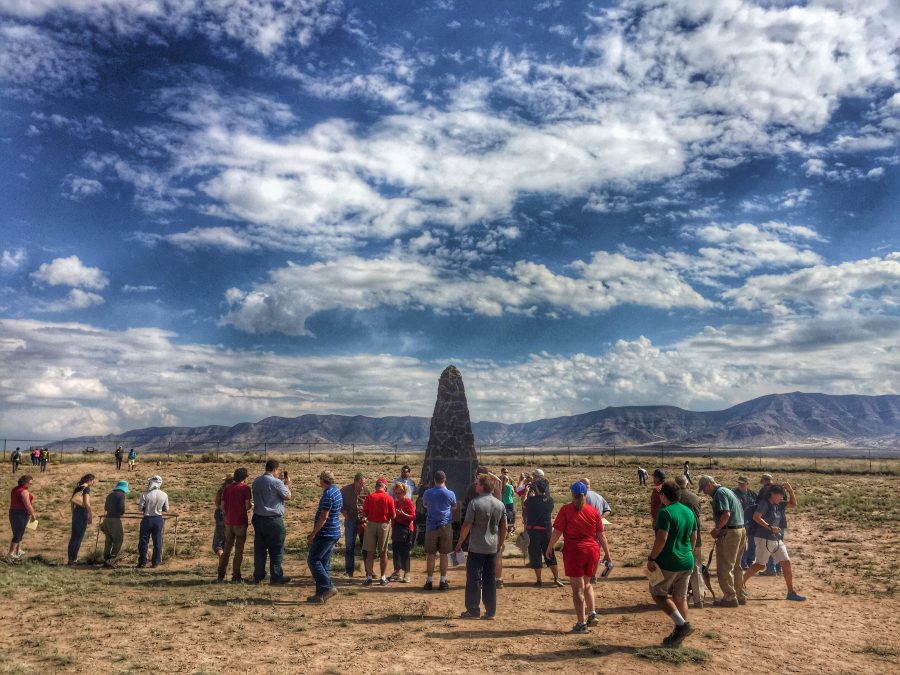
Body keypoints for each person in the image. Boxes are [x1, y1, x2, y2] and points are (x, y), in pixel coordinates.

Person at [546, 482, 611, 633]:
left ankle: (581, 624)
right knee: (587, 584)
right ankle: (592, 613)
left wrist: (550, 547)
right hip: (593, 551)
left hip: (575, 552)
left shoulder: (566, 510)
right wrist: (607, 554)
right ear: (585, 494)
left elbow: (557, 532)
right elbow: (601, 535)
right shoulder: (593, 512)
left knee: (577, 590)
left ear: (572, 494)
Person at [647, 480, 698, 647]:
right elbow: (694, 537)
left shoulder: (665, 512)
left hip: (669, 561)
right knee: (680, 597)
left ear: (663, 495)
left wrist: (652, 558)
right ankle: (679, 637)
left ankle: (682, 626)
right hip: (687, 560)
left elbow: (662, 538)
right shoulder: (688, 512)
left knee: (658, 594)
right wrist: (687, 551)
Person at [455, 473, 507, 619]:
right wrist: (500, 544)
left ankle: (472, 610)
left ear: (482, 486)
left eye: (478, 484)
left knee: (474, 579)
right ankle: (490, 611)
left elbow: (467, 525)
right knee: (490, 580)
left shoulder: (474, 503)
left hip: (477, 547)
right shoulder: (500, 504)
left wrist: (459, 542)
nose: (476, 485)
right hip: (492, 547)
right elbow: (504, 527)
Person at [744, 484, 806, 601]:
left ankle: (791, 592)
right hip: (764, 538)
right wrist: (770, 527)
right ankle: (740, 585)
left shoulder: (780, 504)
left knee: (786, 563)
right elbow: (756, 517)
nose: (781, 497)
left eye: (782, 495)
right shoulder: (764, 503)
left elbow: (793, 504)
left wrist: (791, 490)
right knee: (760, 565)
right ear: (772, 494)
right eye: (779, 495)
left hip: (776, 539)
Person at [698, 475, 746, 607]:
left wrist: (717, 529)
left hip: (730, 532)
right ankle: (740, 595)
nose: (705, 492)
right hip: (740, 530)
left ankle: (730, 597)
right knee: (736, 566)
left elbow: (726, 514)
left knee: (725, 566)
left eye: (704, 489)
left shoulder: (719, 493)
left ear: (709, 485)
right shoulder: (727, 490)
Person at [251, 460, 291, 584]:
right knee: (276, 548)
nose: (279, 472)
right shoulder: (277, 482)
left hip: (258, 518)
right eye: (278, 470)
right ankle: (276, 576)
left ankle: (258, 575)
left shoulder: (256, 481)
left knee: (260, 549)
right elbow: (288, 496)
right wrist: (287, 484)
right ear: (275, 469)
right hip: (273, 520)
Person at [306, 469, 342, 603]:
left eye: (320, 479)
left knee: (313, 560)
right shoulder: (336, 491)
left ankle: (328, 587)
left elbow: (324, 516)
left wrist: (313, 534)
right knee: (323, 563)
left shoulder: (328, 495)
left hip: (325, 533)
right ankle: (320, 595)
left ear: (323, 480)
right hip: (334, 532)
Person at [524, 478, 563, 587]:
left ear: (536, 488)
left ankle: (539, 580)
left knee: (535, 555)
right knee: (549, 554)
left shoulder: (531, 500)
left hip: (533, 532)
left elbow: (524, 504)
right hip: (546, 531)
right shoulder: (550, 500)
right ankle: (556, 578)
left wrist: (527, 493)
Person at [422, 469, 457, 591]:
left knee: (430, 555)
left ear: (434, 480)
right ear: (444, 480)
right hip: (445, 526)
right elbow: (454, 506)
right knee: (444, 555)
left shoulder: (427, 493)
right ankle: (443, 581)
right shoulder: (450, 494)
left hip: (431, 526)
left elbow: (425, 505)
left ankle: (429, 581)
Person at [675, 475, 704, 609]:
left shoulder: (674, 498)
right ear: (687, 484)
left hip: (679, 539)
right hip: (696, 538)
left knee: (677, 570)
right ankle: (699, 599)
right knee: (696, 569)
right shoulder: (695, 497)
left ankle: (680, 599)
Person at [218, 468, 251, 583]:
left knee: (227, 548)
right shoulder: (245, 488)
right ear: (244, 477)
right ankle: (236, 575)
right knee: (239, 550)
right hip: (240, 522)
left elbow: (222, 506)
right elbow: (247, 506)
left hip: (229, 522)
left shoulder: (227, 489)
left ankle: (221, 573)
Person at [362, 477, 396, 586]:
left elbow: (364, 514)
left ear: (376, 486)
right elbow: (393, 515)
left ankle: (369, 578)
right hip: (384, 525)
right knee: (383, 552)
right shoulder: (388, 498)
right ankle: (382, 577)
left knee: (370, 553)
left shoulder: (370, 497)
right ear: (385, 487)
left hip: (371, 524)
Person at [339, 472, 370, 577]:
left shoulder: (366, 491)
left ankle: (368, 571)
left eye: (364, 483)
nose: (362, 485)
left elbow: (370, 504)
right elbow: (338, 502)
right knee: (349, 546)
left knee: (365, 546)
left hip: (362, 521)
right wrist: (344, 513)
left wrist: (367, 517)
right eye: (361, 483)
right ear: (355, 482)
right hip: (350, 520)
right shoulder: (345, 490)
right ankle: (349, 571)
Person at [137, 475, 169, 568]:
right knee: (157, 541)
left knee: (143, 541)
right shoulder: (164, 494)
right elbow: (166, 509)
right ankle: (155, 562)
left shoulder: (145, 494)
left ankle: (142, 562)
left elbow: (140, 508)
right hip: (158, 519)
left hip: (147, 518)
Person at [757, 474, 785, 575]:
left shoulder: (765, 491)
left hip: (768, 525)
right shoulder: (780, 489)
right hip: (779, 522)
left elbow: (758, 507)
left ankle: (771, 569)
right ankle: (778, 569)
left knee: (769, 550)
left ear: (764, 480)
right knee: (778, 549)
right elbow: (786, 503)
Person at [389, 482, 415, 583]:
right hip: (397, 528)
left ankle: (407, 573)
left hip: (406, 528)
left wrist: (404, 514)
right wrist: (393, 530)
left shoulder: (408, 502)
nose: (397, 495)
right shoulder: (396, 503)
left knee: (405, 552)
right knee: (396, 551)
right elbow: (393, 518)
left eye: (399, 493)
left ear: (404, 492)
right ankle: (397, 571)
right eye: (396, 493)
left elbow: (413, 516)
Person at [67, 473, 95, 565]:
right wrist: (90, 515)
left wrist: (73, 513)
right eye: (93, 480)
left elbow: (72, 501)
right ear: (89, 481)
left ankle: (70, 559)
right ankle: (73, 559)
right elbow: (86, 503)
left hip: (76, 512)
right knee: (78, 537)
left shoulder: (78, 487)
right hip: (82, 512)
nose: (93, 482)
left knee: (73, 537)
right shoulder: (86, 489)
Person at [101, 480, 129, 567]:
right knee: (118, 539)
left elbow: (105, 507)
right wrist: (121, 512)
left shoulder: (110, 495)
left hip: (107, 519)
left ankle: (106, 558)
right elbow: (121, 508)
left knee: (108, 540)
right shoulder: (121, 495)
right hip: (115, 520)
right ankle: (112, 559)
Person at [8, 474, 36, 559]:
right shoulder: (24, 492)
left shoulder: (15, 489)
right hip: (20, 514)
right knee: (18, 533)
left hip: (13, 512)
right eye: (30, 483)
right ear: (25, 483)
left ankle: (18, 550)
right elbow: (27, 505)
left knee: (19, 532)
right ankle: (11, 554)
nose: (31, 485)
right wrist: (33, 514)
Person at [733, 476, 758, 569]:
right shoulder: (734, 493)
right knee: (742, 543)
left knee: (752, 543)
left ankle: (750, 561)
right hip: (740, 522)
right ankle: (743, 562)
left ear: (747, 483)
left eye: (743, 483)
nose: (740, 485)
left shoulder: (753, 494)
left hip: (752, 523)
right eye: (739, 483)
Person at [212, 476, 233, 558]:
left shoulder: (221, 491)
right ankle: (224, 563)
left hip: (221, 514)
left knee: (218, 543)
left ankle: (222, 560)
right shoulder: (236, 490)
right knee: (227, 541)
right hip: (232, 516)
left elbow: (217, 502)